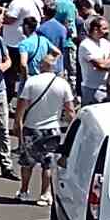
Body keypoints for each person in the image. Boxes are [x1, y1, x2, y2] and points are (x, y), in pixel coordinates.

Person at [14, 48, 75, 205]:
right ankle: (44, 194)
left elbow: (21, 107)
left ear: (41, 65)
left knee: (27, 163)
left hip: (31, 127)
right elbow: (70, 111)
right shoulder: (63, 84)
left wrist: (18, 123)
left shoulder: (31, 82)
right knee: (47, 164)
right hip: (52, 129)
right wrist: (72, 128)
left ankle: (24, 191)